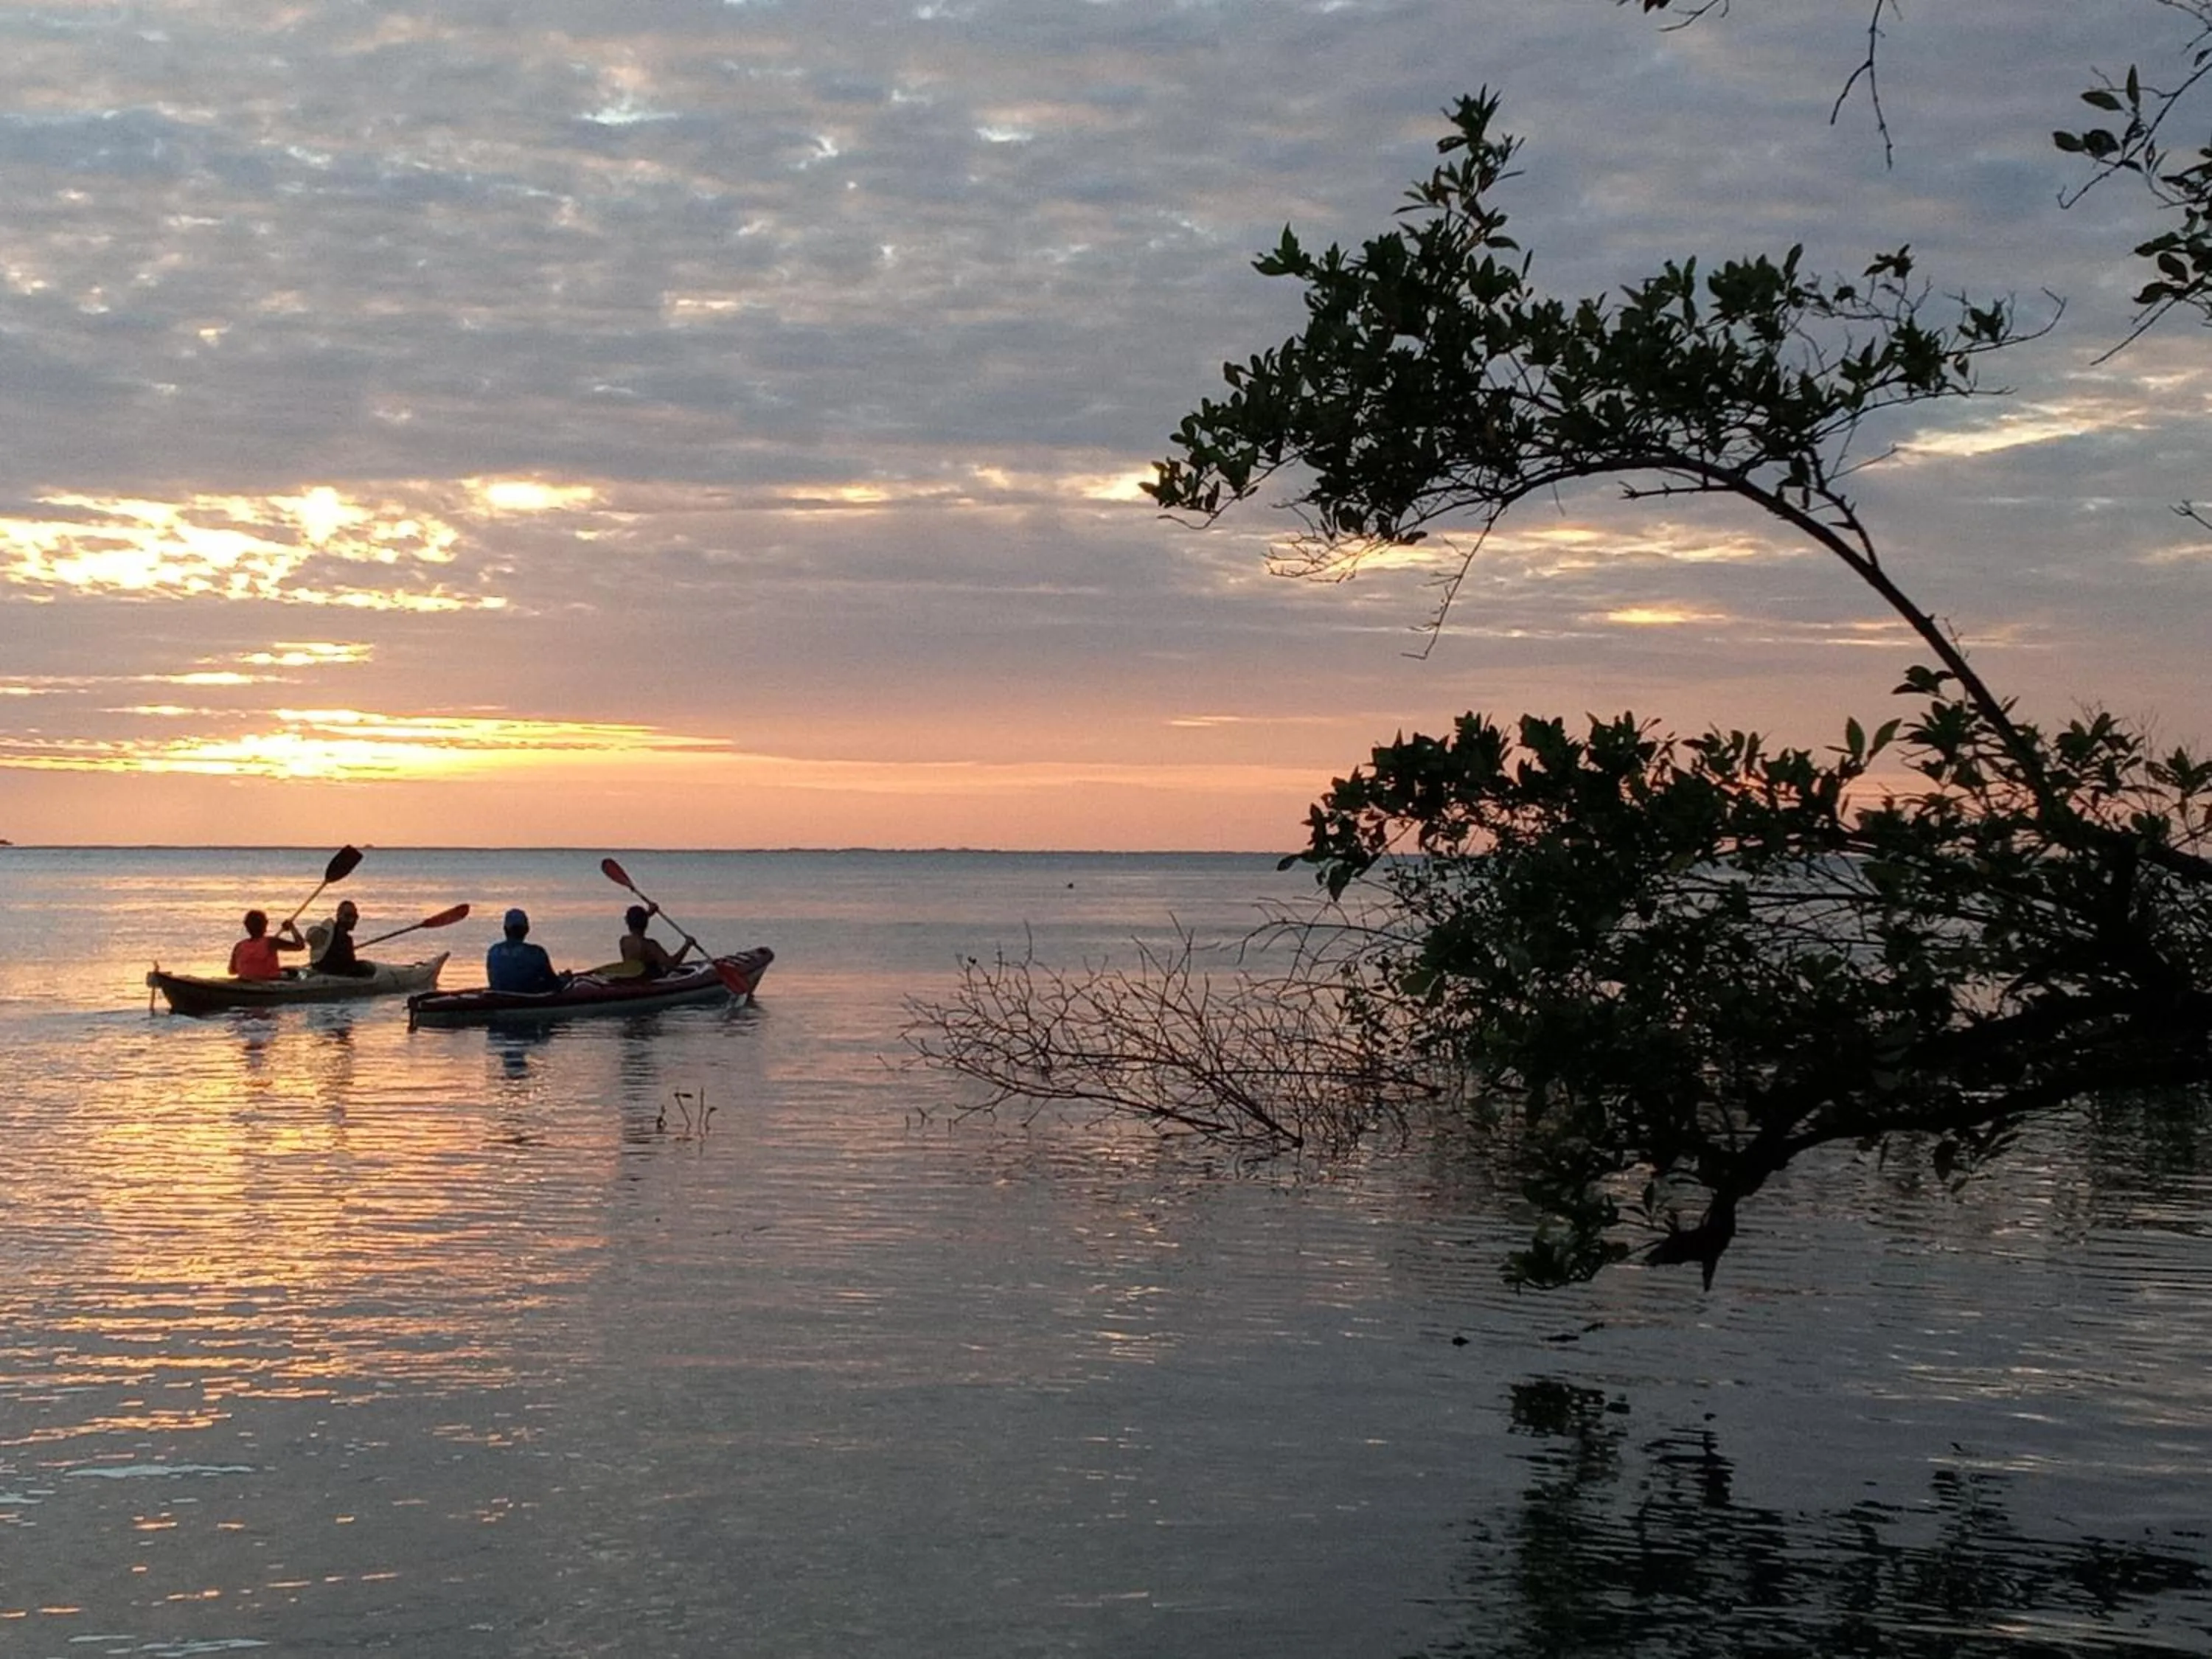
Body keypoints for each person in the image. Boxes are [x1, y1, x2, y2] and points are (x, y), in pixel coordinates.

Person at [487, 908, 563, 994]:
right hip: (529, 998)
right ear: (526, 930)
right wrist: (564, 980)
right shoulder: (536, 953)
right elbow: (554, 984)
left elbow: (493, 980)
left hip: (500, 998)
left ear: (505, 929)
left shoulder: (493, 951)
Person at [618, 903, 695, 979]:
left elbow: (637, 921)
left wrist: (648, 914)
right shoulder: (650, 946)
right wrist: (687, 945)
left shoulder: (624, 941)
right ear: (646, 923)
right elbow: (671, 964)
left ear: (628, 922)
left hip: (634, 979)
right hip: (649, 981)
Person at [229, 909, 305, 980]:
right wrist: (292, 928)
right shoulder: (271, 942)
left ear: (247, 926)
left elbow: (232, 971)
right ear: (265, 925)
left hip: (246, 981)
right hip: (270, 980)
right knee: (294, 974)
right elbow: (300, 946)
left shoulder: (239, 946)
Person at [309, 899, 375, 978]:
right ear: (339, 916)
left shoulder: (347, 939)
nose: (352, 920)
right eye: (348, 916)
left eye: (355, 917)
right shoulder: (329, 937)